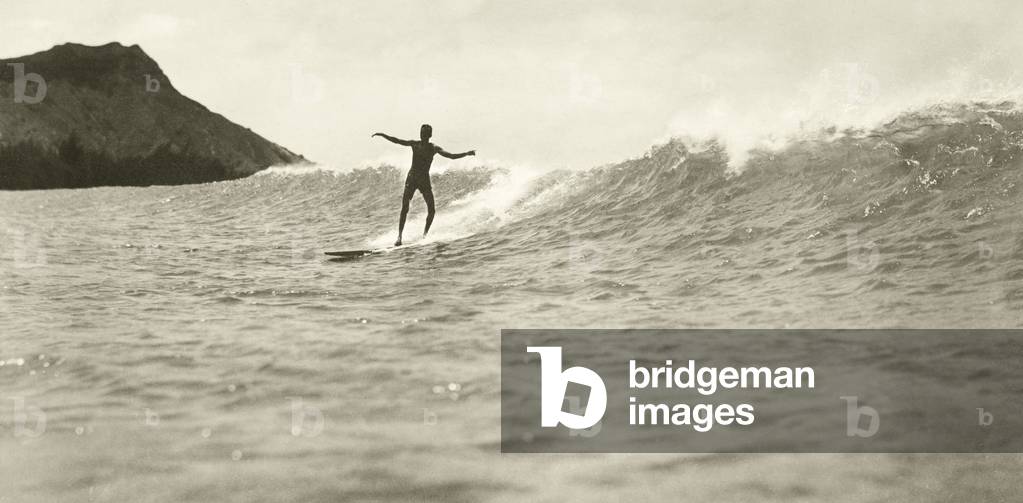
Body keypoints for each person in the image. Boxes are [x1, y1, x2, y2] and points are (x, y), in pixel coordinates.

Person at [372, 124, 475, 246]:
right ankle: (399, 237)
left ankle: (424, 236)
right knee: (405, 208)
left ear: (429, 135)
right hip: (412, 178)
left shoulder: (434, 148)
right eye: (421, 133)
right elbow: (397, 141)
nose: (423, 135)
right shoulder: (415, 144)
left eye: (425, 133)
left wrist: (466, 153)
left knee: (431, 210)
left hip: (424, 180)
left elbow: (451, 156)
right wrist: (383, 135)